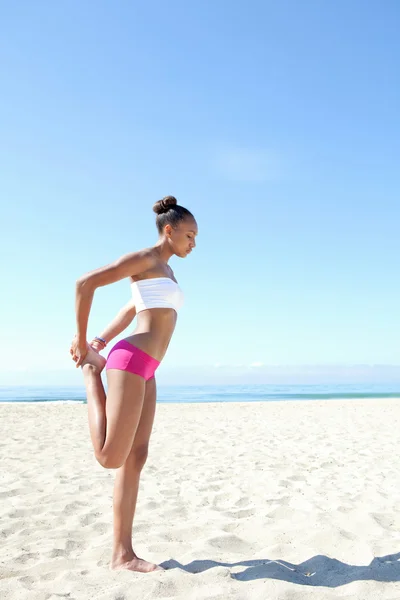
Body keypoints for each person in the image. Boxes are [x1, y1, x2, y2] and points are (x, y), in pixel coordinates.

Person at [70, 196, 198, 572]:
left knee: (135, 458)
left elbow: (131, 308)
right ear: (169, 230)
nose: (193, 243)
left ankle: (122, 555)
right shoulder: (145, 258)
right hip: (129, 362)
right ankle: (92, 374)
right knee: (111, 458)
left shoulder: (167, 273)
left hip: (147, 367)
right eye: (189, 235)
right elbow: (85, 283)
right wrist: (83, 346)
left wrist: (98, 342)